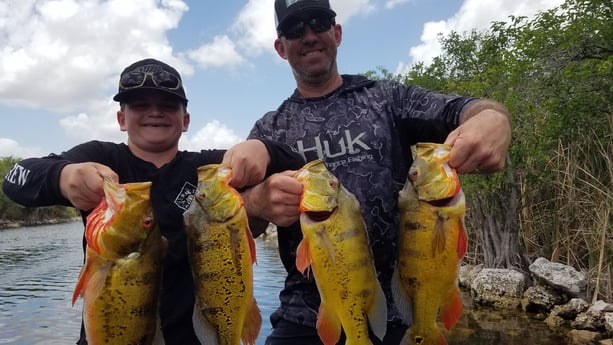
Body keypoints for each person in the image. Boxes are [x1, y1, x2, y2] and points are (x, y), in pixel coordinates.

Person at [242, 0, 512, 344]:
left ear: (336, 32)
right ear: (281, 48)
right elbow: (242, 228)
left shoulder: (388, 99)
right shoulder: (270, 130)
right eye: (295, 28)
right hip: (305, 316)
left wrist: (494, 119)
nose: (309, 35)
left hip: (399, 312)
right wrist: (255, 203)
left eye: (318, 22)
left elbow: (465, 109)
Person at [1, 58, 305, 344]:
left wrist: (262, 148)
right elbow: (15, 178)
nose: (154, 112)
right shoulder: (101, 158)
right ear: (122, 118)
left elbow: (301, 164)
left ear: (185, 120)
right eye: (140, 104)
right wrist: (63, 177)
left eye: (167, 105)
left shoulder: (208, 171)